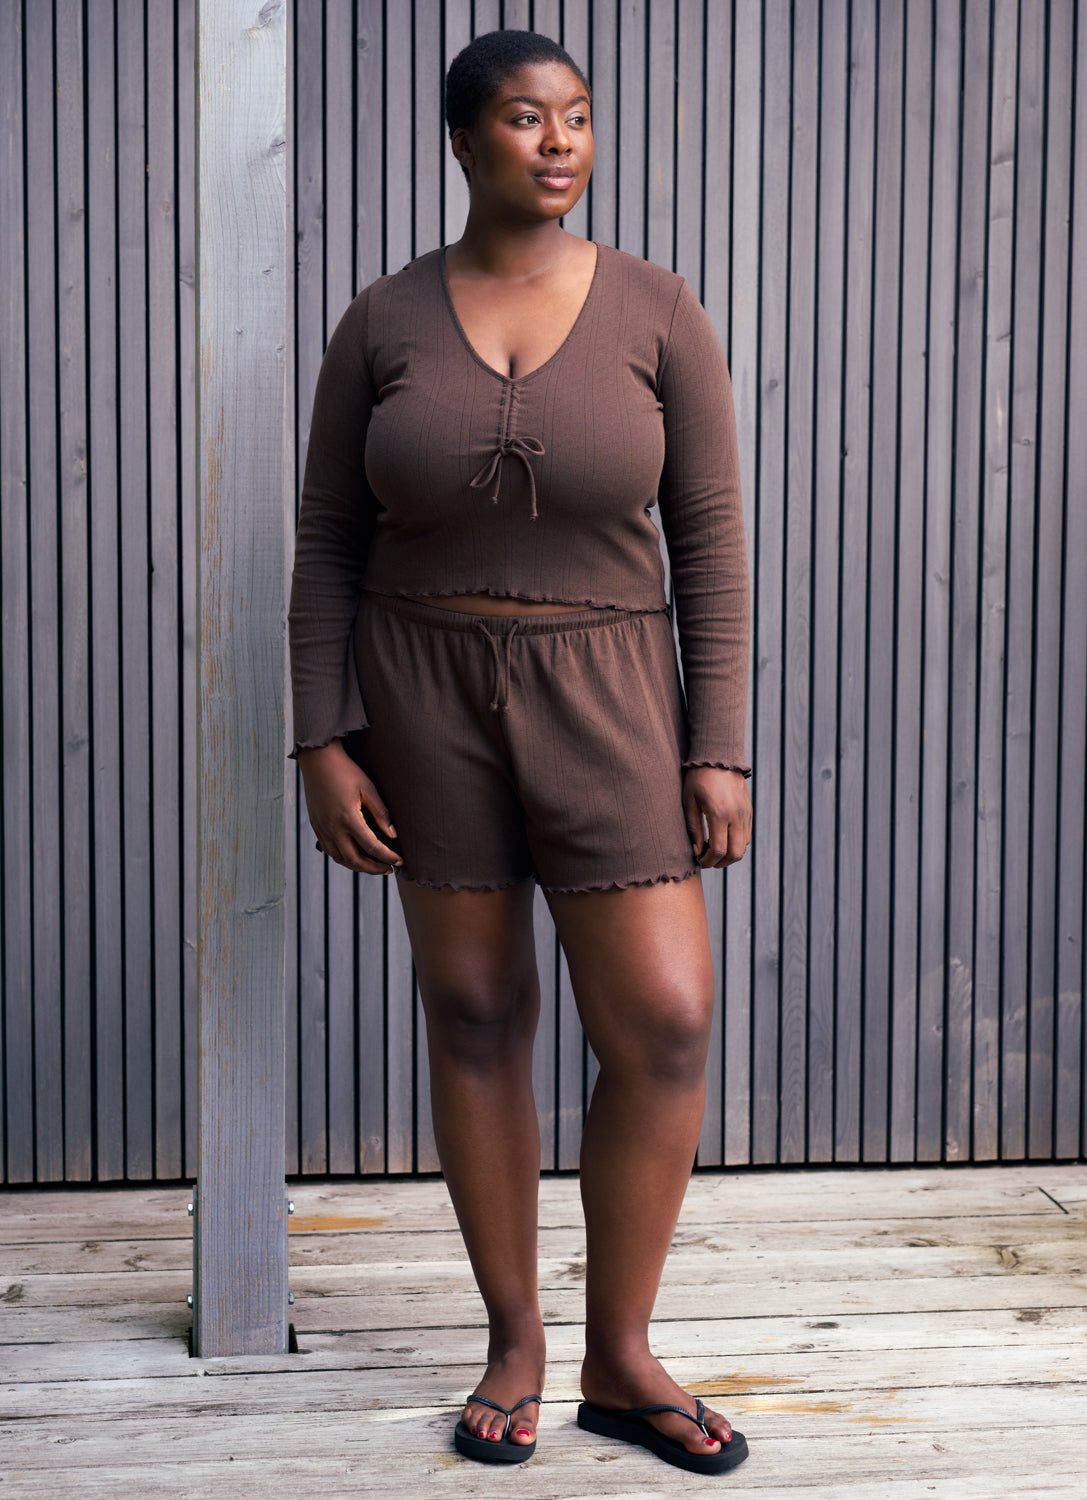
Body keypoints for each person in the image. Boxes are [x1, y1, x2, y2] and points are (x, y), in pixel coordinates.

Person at [288, 28, 753, 1476]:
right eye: (523, 117)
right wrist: (320, 738)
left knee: (664, 1020)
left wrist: (720, 744)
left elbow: (712, 539)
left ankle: (623, 1355)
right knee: (478, 1015)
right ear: (462, 140)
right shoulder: (381, 320)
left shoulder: (657, 308)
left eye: (578, 118)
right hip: (422, 693)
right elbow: (328, 539)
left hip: (611, 689)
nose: (558, 143)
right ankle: (517, 1346)